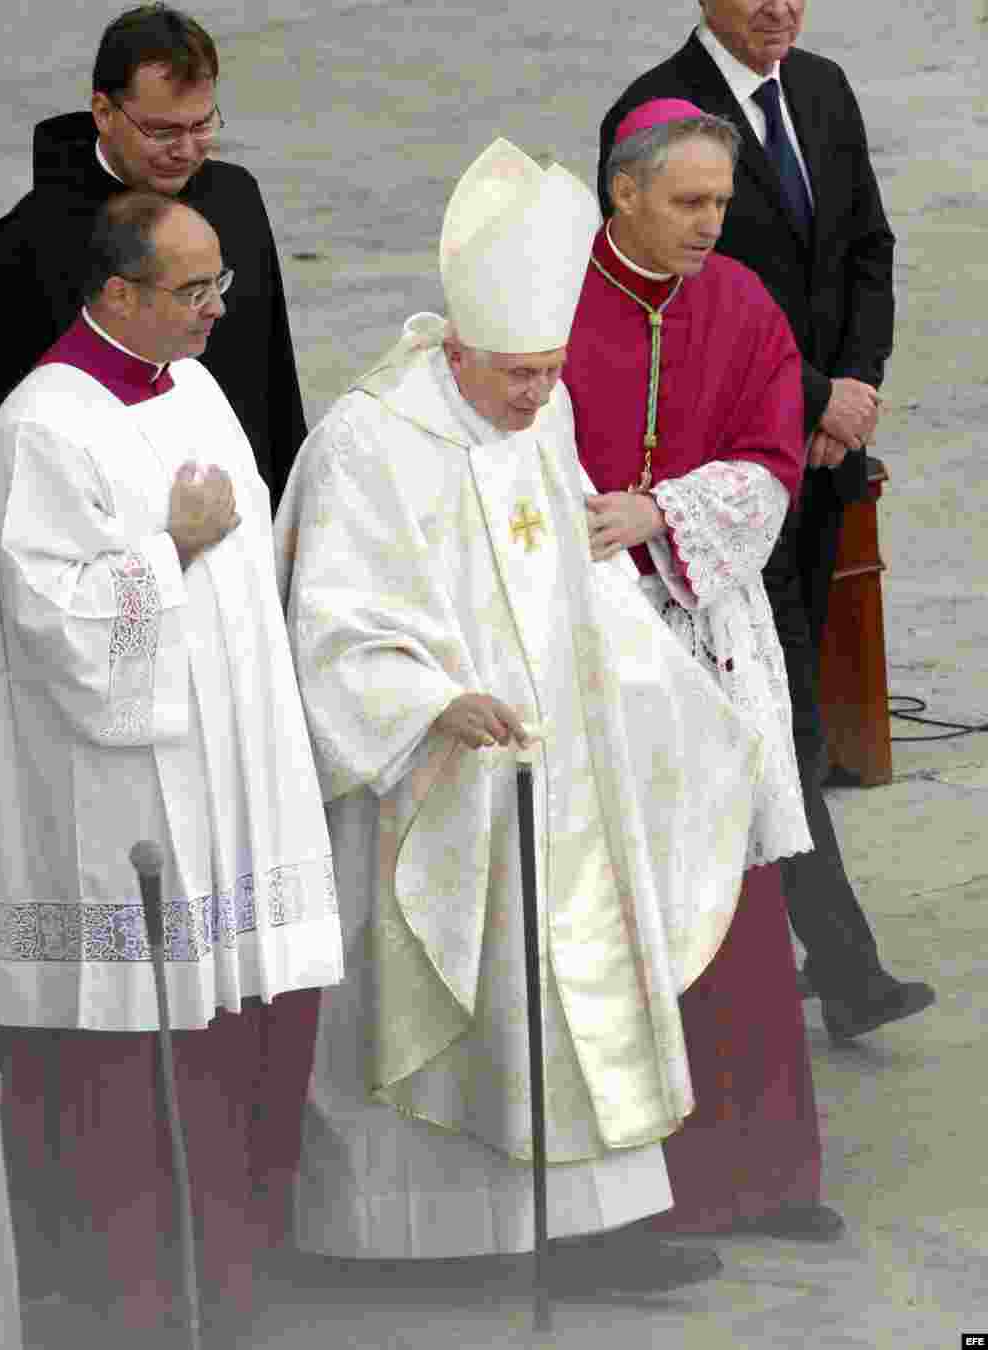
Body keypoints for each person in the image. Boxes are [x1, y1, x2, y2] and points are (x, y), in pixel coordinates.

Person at [275, 138, 768, 1297]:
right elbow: (334, 620)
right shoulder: (369, 440)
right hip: (436, 780)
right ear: (452, 351)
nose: (539, 399)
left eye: (550, 374)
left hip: (560, 770)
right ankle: (410, 1240)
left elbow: (572, 572)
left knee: (584, 979)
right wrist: (434, 700)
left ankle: (598, 1225)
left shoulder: (534, 417)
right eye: (514, 378)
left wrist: (651, 690)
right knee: (458, 999)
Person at [0, 191, 344, 1348]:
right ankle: (127, 1302)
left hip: (226, 781)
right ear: (115, 294)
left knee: (235, 1035)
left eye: (220, 283)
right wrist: (165, 549)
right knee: (130, 1059)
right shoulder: (39, 430)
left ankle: (224, 1280)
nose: (218, 309)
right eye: (193, 290)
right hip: (116, 805)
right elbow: (56, 633)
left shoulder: (199, 387)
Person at [596, 1, 935, 1040]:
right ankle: (843, 968)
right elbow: (664, 313)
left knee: (793, 713)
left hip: (819, 461)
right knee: (773, 725)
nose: (781, 7)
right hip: (716, 488)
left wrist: (854, 390)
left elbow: (866, 248)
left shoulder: (822, 88)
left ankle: (808, 953)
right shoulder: (654, 117)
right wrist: (809, 397)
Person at [567, 97, 841, 1239]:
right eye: (687, 201)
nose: (709, 225)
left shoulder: (738, 301)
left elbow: (772, 467)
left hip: (707, 629)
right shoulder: (551, 291)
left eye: (721, 202)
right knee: (621, 900)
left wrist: (656, 513)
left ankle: (763, 1174)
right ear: (622, 192)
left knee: (734, 894)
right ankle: (645, 1192)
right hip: (589, 633)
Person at [0, 3, 304, 523]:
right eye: (163, 131)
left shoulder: (237, 200)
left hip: (243, 529)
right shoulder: (29, 244)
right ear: (103, 113)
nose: (187, 150)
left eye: (202, 125)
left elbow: (273, 378)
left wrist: (292, 524)